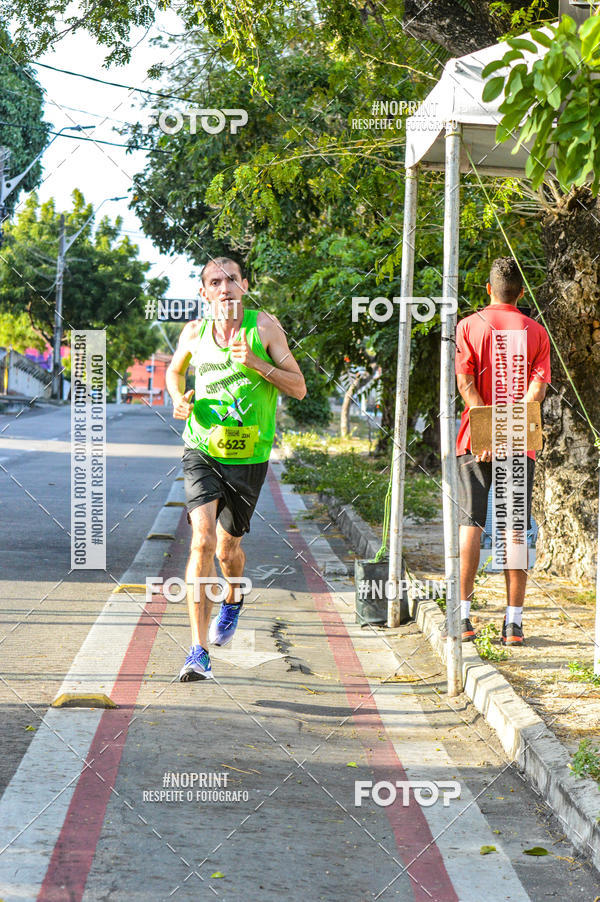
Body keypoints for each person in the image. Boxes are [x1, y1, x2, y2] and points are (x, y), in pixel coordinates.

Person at [166, 257, 306, 681]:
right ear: (204, 291)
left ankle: (232, 601)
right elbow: (175, 370)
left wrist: (258, 364)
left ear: (244, 286)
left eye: (231, 280)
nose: (224, 288)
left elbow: (298, 387)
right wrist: (178, 397)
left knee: (228, 551)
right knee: (202, 542)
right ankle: (197, 651)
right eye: (215, 282)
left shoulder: (264, 327)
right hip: (201, 448)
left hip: (248, 456)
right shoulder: (194, 332)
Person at [455, 257, 551, 646]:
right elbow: (536, 393)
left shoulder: (469, 325)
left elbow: (466, 386)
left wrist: (486, 435)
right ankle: (514, 624)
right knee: (514, 529)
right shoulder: (537, 333)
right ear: (521, 293)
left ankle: (462, 619)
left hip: (473, 442)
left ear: (488, 289)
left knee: (471, 525)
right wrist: (509, 433)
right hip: (519, 442)